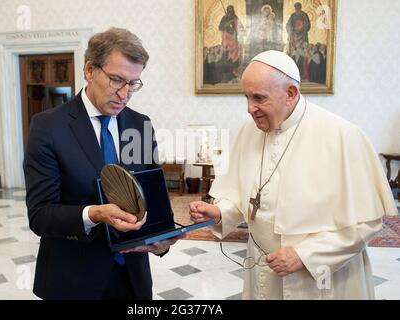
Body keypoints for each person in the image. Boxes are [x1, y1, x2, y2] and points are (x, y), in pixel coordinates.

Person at [189, 50, 397, 300]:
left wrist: (305, 255)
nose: (249, 108)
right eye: (246, 97)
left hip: (322, 279)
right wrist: (222, 212)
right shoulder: (249, 131)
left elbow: (366, 222)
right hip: (264, 268)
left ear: (290, 94)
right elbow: (250, 197)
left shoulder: (342, 136)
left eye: (258, 98)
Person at [23, 27, 181, 300]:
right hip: (73, 279)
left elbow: (150, 198)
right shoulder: (48, 127)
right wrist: (93, 214)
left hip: (132, 279)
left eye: (133, 83)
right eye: (117, 80)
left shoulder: (139, 125)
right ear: (89, 70)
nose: (125, 93)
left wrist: (162, 240)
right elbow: (40, 215)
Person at [219, 5, 244, 78]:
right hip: (226, 37)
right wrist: (229, 22)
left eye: (231, 9)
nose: (230, 11)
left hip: (234, 37)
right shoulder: (224, 18)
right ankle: (227, 71)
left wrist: (235, 22)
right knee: (226, 52)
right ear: (227, 10)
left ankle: (234, 70)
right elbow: (220, 27)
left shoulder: (235, 17)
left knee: (236, 53)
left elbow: (240, 27)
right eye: (229, 9)